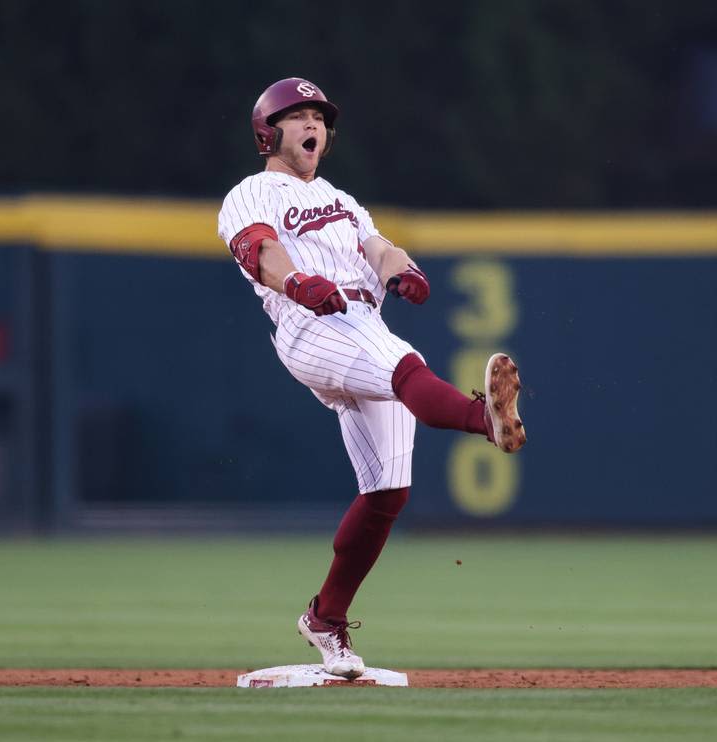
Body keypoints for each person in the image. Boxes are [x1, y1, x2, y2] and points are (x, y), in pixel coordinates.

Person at [216, 77, 526, 679]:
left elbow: (378, 245)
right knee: (406, 367)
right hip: (310, 324)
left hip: (361, 320)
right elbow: (258, 248)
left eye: (320, 117)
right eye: (298, 115)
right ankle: (482, 419)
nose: (312, 126)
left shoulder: (341, 197)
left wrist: (400, 271)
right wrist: (297, 283)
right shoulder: (251, 192)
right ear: (267, 132)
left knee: (388, 492)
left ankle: (326, 620)